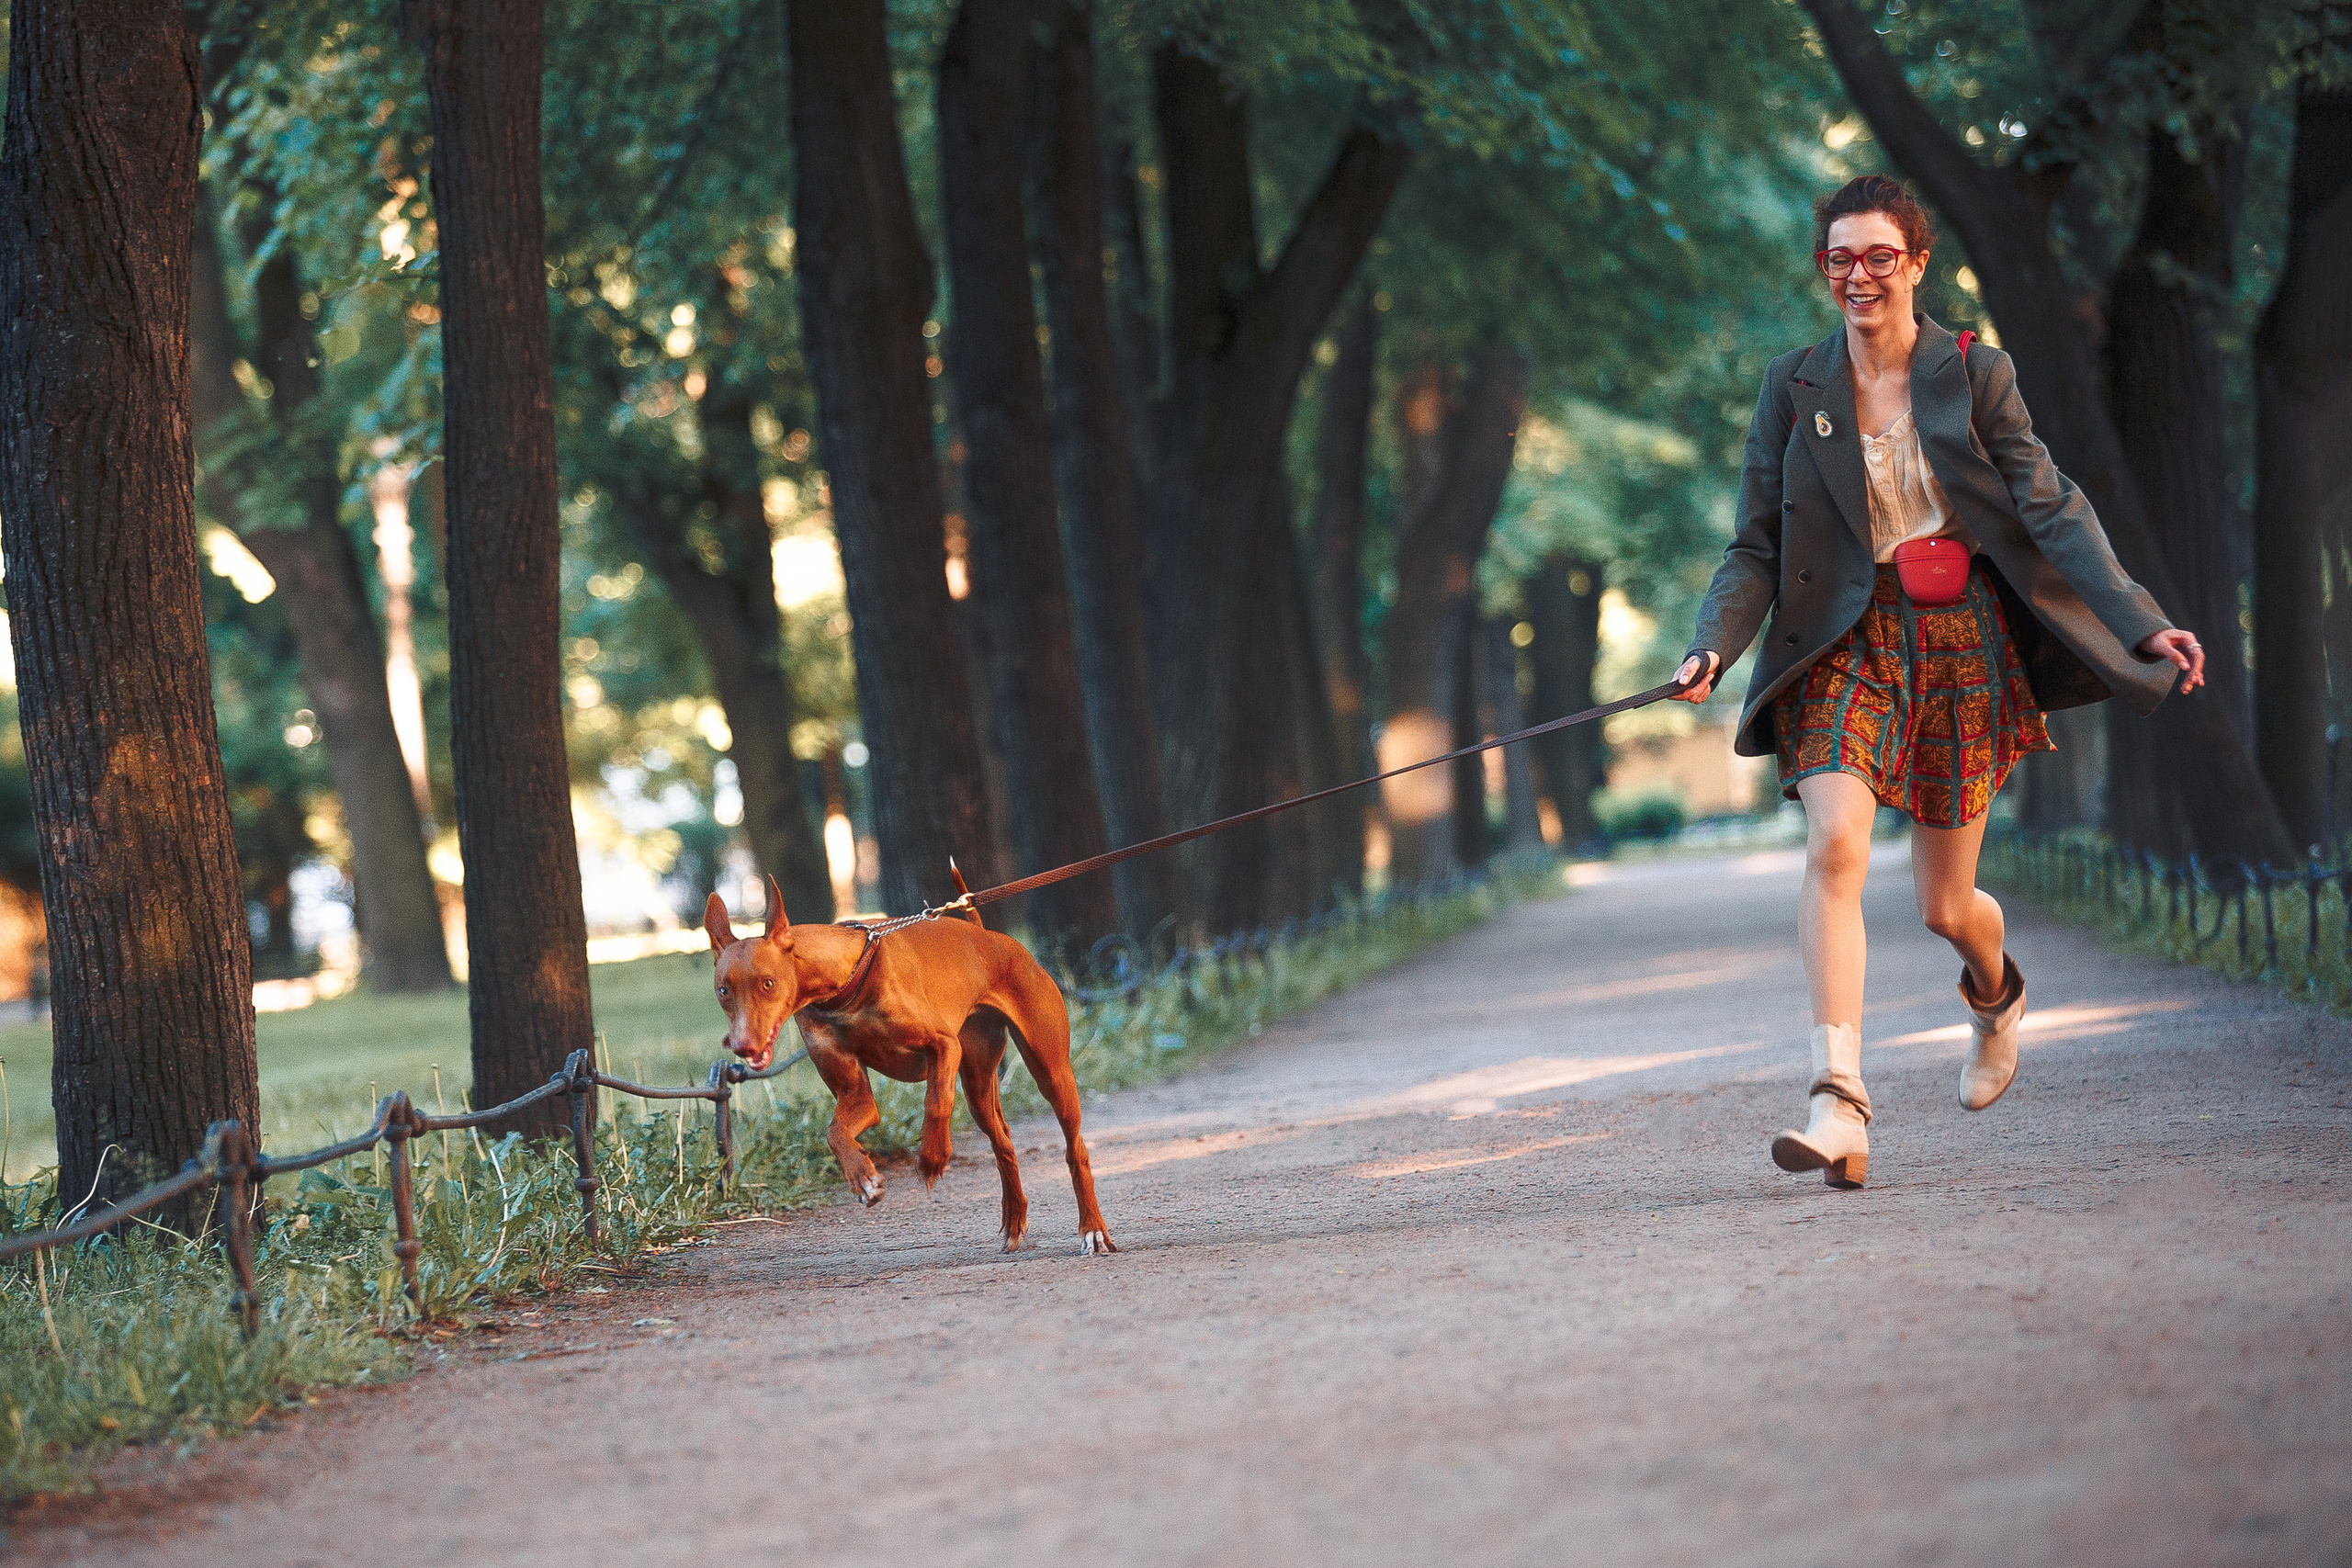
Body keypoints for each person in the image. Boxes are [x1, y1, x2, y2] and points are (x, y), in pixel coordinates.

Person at [1675, 174, 2203, 1190]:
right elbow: (1755, 545)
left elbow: (2050, 506)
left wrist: (2140, 619)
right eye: (1839, 258)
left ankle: (1995, 994)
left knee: (1943, 905)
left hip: (1960, 641)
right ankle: (1837, 1098)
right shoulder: (1794, 386)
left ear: (1917, 263)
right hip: (1840, 639)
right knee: (1834, 841)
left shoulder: (1974, 372)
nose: (1858, 276)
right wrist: (1712, 647)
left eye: (1880, 256)